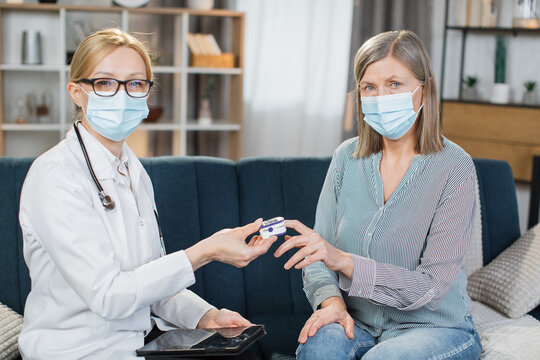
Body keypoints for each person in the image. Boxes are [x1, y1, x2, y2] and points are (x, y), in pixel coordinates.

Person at [17, 28, 276, 360]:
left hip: (135, 348)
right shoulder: (55, 176)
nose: (123, 95)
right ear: (77, 92)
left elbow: (149, 281)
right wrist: (205, 252)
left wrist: (205, 316)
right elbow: (110, 296)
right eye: (106, 83)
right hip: (73, 351)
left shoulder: (132, 169)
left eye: (136, 84)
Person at [274, 30, 482, 359]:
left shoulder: (455, 167)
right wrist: (333, 304)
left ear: (424, 90)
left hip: (433, 327)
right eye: (369, 87)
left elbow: (430, 286)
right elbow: (317, 256)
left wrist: (343, 260)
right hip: (359, 321)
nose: (381, 97)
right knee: (320, 348)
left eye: (394, 85)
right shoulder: (345, 158)